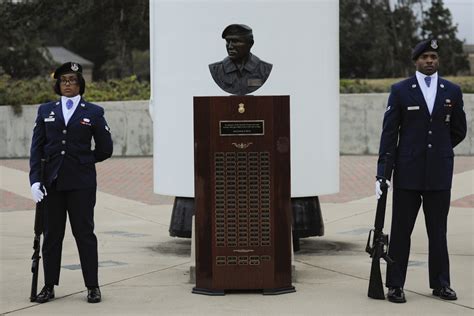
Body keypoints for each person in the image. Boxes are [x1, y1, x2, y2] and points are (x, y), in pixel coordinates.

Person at [375, 39, 467, 303]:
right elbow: (389, 134)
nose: (430, 61)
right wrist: (383, 173)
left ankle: (441, 284)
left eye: (433, 57)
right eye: (425, 56)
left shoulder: (452, 90)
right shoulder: (401, 91)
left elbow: (459, 130)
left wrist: (438, 150)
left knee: (438, 232)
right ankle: (395, 285)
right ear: (415, 60)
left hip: (439, 173)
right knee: (401, 231)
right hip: (407, 174)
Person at [29, 62, 113, 303]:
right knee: (52, 235)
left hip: (81, 184)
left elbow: (106, 148)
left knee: (84, 234)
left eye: (72, 80)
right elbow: (36, 149)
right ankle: (48, 285)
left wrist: (85, 161)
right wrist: (35, 181)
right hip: (51, 185)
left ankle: (92, 286)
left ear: (80, 84)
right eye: (63, 80)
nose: (67, 84)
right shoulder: (45, 110)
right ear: (58, 84)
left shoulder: (94, 112)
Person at [209, 24, 272, 95]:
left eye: (235, 41)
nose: (230, 46)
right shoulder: (216, 70)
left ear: (250, 43)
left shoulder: (264, 69)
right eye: (227, 41)